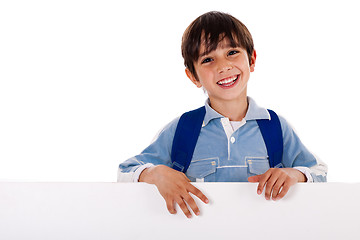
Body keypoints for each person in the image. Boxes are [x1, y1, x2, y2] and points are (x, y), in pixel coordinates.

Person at [117, 11, 327, 218]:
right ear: (193, 76)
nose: (223, 66)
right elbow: (125, 171)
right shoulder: (182, 129)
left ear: (252, 59)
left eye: (232, 52)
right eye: (208, 59)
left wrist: (295, 174)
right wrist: (155, 174)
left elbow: (319, 172)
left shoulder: (275, 127)